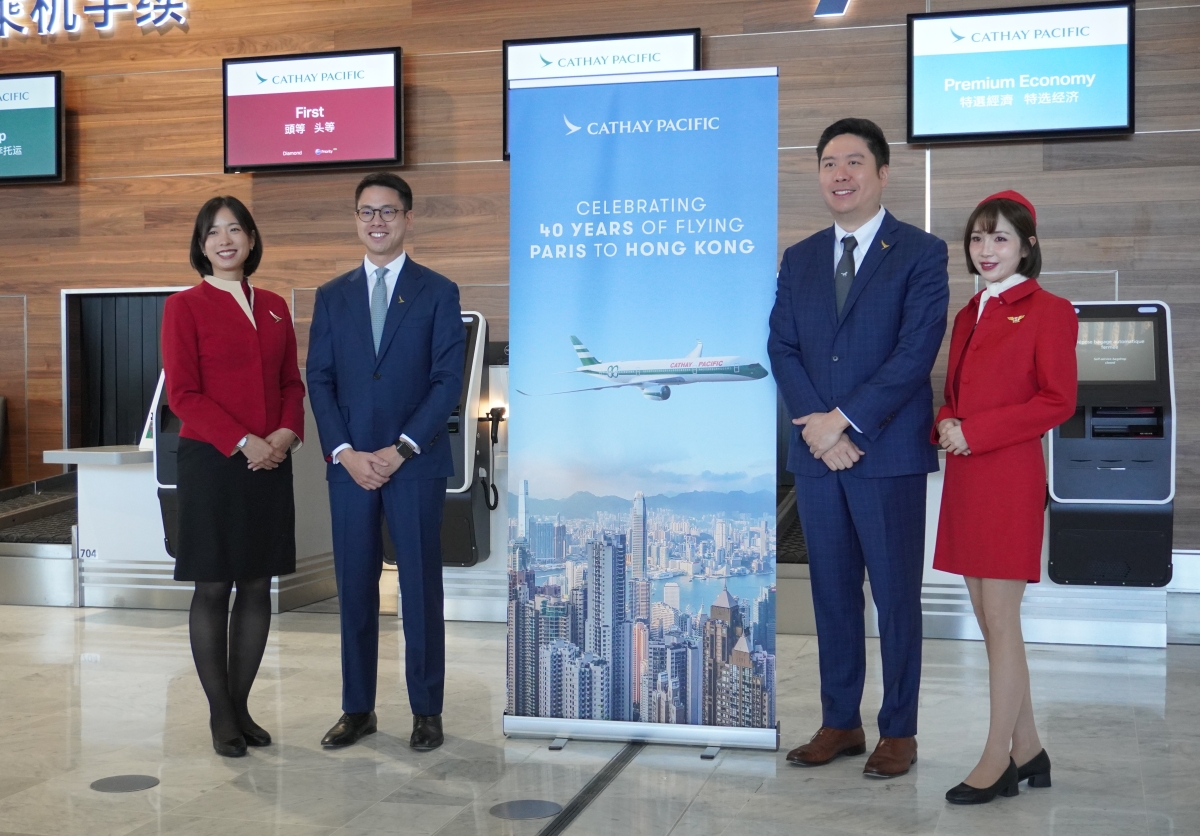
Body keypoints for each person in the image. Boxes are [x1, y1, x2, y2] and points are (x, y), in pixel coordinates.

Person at [768, 118, 949, 778]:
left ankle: (899, 730)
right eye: (827, 163)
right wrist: (818, 428)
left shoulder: (922, 253)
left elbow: (914, 353)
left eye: (852, 161)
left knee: (897, 595)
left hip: (886, 454)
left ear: (880, 173)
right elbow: (781, 345)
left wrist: (842, 421)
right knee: (832, 593)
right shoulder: (802, 257)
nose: (839, 174)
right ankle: (840, 721)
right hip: (819, 458)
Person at [307, 172, 465, 753]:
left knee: (421, 588)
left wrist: (400, 449)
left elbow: (448, 380)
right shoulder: (332, 295)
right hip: (349, 467)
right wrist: (345, 452)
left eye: (388, 212)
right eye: (367, 212)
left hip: (414, 465)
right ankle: (358, 708)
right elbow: (319, 379)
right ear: (356, 220)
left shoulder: (438, 291)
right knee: (353, 587)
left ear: (408, 219)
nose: (377, 222)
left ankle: (426, 710)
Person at [934, 191, 1077, 804]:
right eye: (977, 238)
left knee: (1001, 621)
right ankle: (1030, 748)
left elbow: (1056, 400)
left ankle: (998, 761)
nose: (986, 251)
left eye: (1000, 239)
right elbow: (956, 390)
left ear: (1028, 246)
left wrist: (975, 432)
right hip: (968, 476)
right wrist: (945, 420)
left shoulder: (1050, 310)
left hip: (1008, 478)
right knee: (994, 629)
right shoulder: (969, 312)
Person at [162, 196, 305, 757]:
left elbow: (291, 383)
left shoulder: (273, 306)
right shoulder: (184, 306)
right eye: (214, 232)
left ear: (251, 240)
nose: (226, 240)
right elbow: (184, 395)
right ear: (202, 245)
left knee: (256, 582)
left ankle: (242, 706)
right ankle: (221, 715)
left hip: (271, 460)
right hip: (214, 463)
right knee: (214, 584)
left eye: (236, 230)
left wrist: (286, 435)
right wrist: (243, 440)